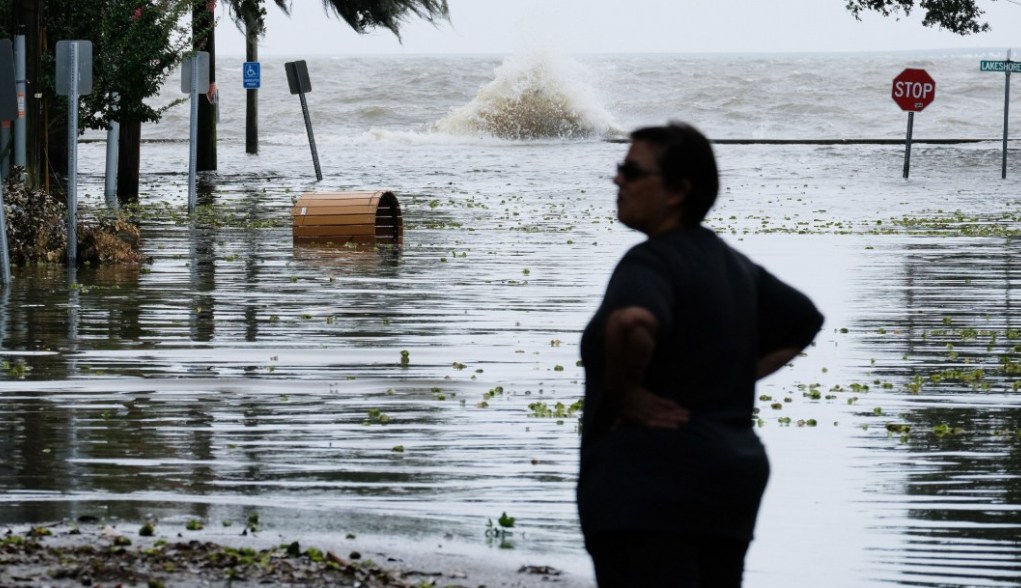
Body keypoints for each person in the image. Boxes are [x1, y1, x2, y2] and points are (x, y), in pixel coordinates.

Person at [577, 122, 824, 587]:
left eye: (632, 171)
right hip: (729, 481)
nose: (618, 180)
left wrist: (627, 394)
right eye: (619, 168)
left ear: (677, 191)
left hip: (648, 486)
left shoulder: (649, 261)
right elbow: (803, 320)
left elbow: (632, 322)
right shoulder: (733, 263)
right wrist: (732, 379)